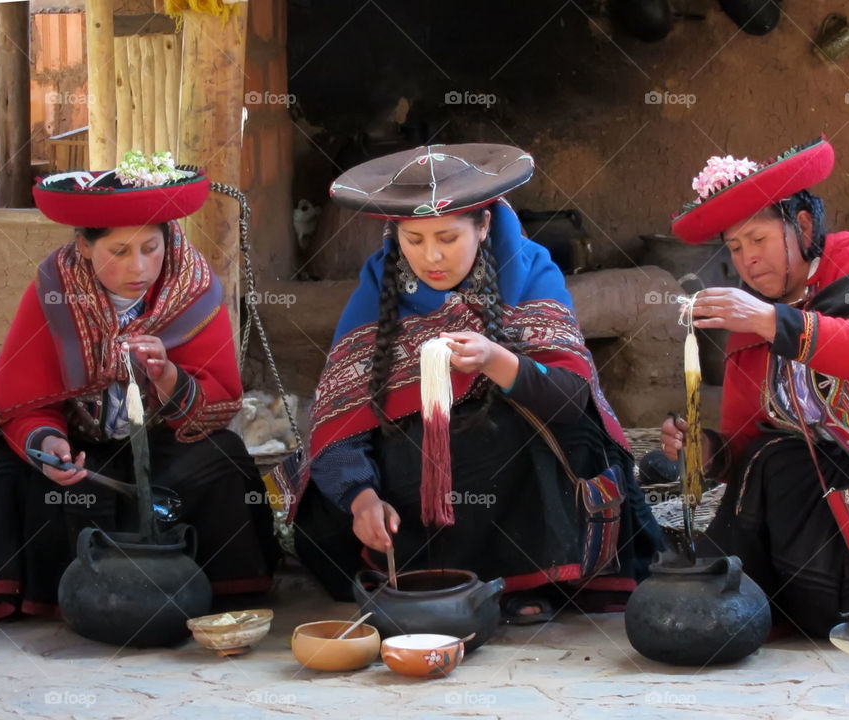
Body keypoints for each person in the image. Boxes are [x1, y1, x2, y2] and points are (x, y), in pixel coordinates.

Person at [282, 144, 662, 622]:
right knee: (371, 471)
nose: (431, 256)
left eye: (447, 237)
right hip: (410, 486)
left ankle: (526, 580)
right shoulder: (378, 285)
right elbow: (341, 420)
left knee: (526, 436)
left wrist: (495, 360)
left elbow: (571, 400)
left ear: (483, 227)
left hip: (515, 469)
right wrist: (360, 499)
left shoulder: (531, 272)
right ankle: (418, 577)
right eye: (413, 240)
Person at [0, 153, 279, 626]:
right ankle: (47, 593)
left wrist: (168, 378)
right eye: (118, 251)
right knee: (9, 472)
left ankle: (215, 584)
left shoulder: (194, 288)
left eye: (151, 248)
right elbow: (23, 397)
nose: (139, 267)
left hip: (163, 448)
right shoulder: (55, 290)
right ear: (85, 245)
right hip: (79, 452)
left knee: (224, 458)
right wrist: (46, 443)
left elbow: (218, 402)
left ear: (169, 240)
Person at [660, 137, 849, 637]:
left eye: (759, 239)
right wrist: (705, 450)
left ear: (801, 226)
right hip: (833, 505)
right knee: (770, 458)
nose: (747, 262)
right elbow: (743, 447)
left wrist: (774, 322)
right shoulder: (748, 326)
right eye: (735, 248)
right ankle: (777, 606)